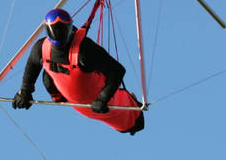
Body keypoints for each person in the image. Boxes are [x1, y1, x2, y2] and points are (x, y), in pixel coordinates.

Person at [12, 8, 145, 135]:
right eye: (55, 30)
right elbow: (31, 68)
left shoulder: (84, 51)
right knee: (47, 76)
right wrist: (24, 92)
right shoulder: (40, 48)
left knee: (134, 124)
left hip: (103, 103)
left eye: (62, 29)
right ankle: (59, 97)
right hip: (76, 101)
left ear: (69, 28)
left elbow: (117, 70)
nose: (58, 33)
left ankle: (130, 101)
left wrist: (103, 98)